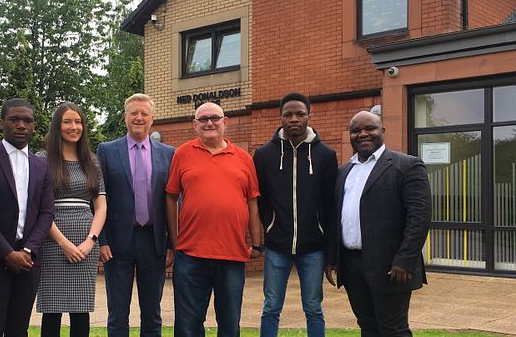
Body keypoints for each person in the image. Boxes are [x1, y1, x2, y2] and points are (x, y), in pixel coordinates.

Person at [325, 111, 431, 337]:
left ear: (382, 131)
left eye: (369, 128)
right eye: (356, 130)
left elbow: (419, 218)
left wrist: (405, 260)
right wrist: (332, 258)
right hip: (352, 265)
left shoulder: (407, 165)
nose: (362, 134)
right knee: (367, 326)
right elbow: (337, 217)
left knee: (393, 329)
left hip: (391, 266)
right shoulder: (344, 171)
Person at [165, 102, 263, 337]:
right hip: (190, 255)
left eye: (215, 118)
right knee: (188, 325)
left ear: (225, 122)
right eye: (203, 119)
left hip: (231, 255)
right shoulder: (182, 153)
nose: (209, 123)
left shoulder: (243, 158)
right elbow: (170, 198)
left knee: (229, 324)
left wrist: (257, 243)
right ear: (195, 125)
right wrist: (176, 240)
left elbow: (252, 202)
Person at [254, 92, 338, 337]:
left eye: (300, 114)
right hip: (276, 246)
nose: (294, 119)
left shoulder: (325, 155)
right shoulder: (264, 154)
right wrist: (269, 225)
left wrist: (328, 245)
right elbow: (260, 199)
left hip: (313, 247)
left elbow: (330, 204)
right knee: (271, 307)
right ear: (280, 117)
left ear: (308, 117)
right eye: (288, 114)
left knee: (313, 308)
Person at [0, 98, 55, 337]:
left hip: (29, 261)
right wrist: (7, 253)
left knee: (20, 328)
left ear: (34, 126)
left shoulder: (41, 166)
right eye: (14, 120)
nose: (21, 125)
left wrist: (28, 250)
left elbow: (47, 212)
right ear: (1, 124)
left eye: (27, 121)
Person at [96, 93, 175, 337]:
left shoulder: (169, 153)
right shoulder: (107, 151)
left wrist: (172, 243)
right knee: (117, 312)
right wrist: (103, 240)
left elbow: (173, 201)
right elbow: (98, 197)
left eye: (144, 113)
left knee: (152, 312)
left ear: (152, 119)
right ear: (125, 118)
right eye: (134, 113)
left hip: (154, 241)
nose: (139, 118)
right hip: (118, 242)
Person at [36, 102, 107, 337]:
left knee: (80, 311)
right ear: (57, 126)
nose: (73, 127)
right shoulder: (42, 160)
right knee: (52, 311)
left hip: (86, 244)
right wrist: (63, 244)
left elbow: (101, 207)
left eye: (78, 122)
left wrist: (90, 242)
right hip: (52, 242)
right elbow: (40, 207)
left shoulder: (92, 161)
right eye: (67, 121)